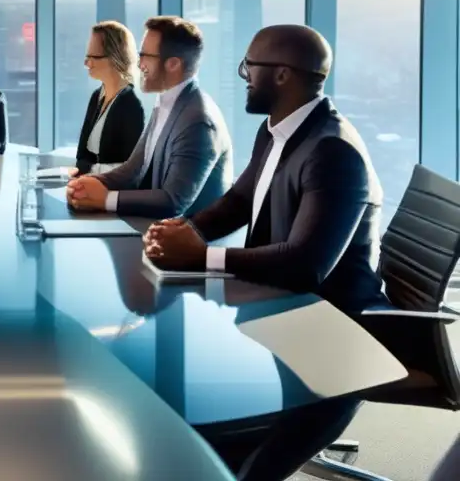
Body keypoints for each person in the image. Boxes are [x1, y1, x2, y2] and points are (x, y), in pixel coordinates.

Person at [143, 24, 389, 314]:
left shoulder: (333, 152)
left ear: (282, 74)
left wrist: (204, 256)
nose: (244, 76)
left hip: (329, 320)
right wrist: (184, 230)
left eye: (249, 66)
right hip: (275, 303)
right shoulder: (273, 130)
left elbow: (305, 266)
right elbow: (240, 201)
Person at [67, 16, 232, 219]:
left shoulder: (198, 121)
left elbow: (174, 201)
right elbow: (134, 168)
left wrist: (105, 199)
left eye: (144, 56)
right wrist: (87, 185)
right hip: (157, 229)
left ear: (172, 64)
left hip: (186, 242)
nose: (138, 64)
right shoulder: (167, 101)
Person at [73, 21, 146, 176]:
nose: (86, 63)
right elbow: (82, 155)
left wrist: (88, 172)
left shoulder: (132, 104)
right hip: (88, 187)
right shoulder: (97, 96)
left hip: (113, 193)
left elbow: (131, 168)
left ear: (114, 58)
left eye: (93, 56)